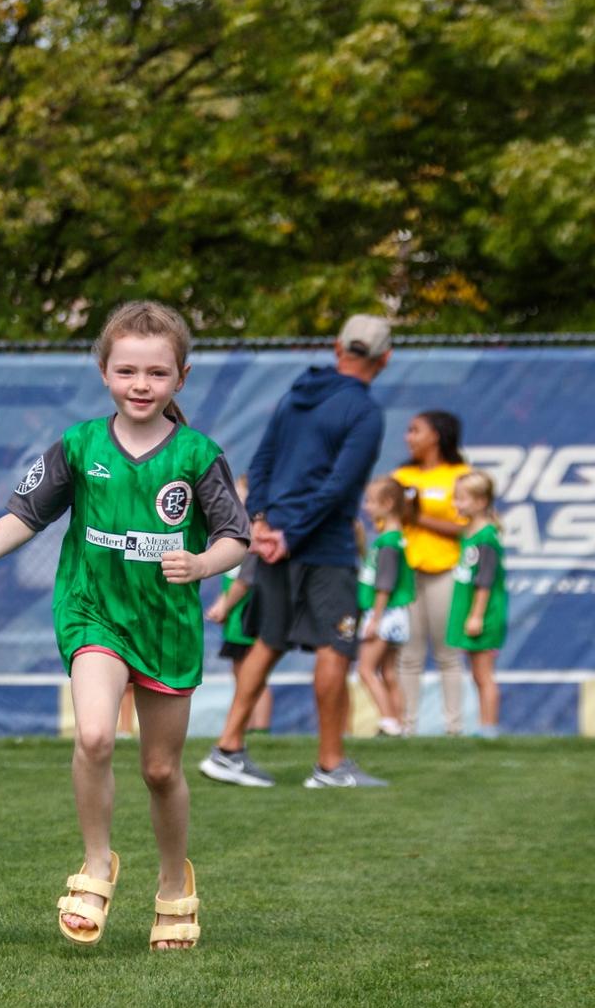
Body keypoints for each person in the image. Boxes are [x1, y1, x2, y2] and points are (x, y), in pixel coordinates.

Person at [0, 301, 250, 951]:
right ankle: (94, 865)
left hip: (166, 624)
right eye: (126, 371)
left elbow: (236, 538)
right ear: (104, 372)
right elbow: (26, 516)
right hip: (92, 611)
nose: (140, 384)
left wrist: (202, 561)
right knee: (93, 735)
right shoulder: (79, 446)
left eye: (156, 372)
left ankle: (174, 883)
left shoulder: (198, 455)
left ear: (181, 378)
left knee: (161, 770)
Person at [199, 314, 393, 789]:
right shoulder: (365, 412)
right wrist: (285, 531)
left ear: (336, 347)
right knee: (335, 645)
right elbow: (340, 485)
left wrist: (262, 521)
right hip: (322, 545)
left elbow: (261, 460)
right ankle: (330, 765)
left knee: (269, 640)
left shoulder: (294, 396)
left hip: (279, 538)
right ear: (385, 359)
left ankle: (228, 748)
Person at [392, 411, 471, 734]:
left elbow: (467, 525)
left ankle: (454, 729)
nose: (408, 437)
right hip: (407, 570)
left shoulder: (461, 475)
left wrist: (418, 518)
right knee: (408, 656)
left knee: (448, 654)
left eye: (415, 430)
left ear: (436, 435)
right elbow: (386, 519)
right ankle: (405, 727)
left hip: (446, 570)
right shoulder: (401, 476)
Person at [201, 476, 271, 743]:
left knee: (255, 672)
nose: (234, 499)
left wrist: (225, 605)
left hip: (249, 612)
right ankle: (249, 724)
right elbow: (231, 577)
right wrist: (223, 601)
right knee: (240, 671)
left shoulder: (256, 536)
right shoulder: (237, 532)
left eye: (239, 494)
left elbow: (245, 580)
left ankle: (260, 727)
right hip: (235, 615)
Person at [447, 471, 508, 739]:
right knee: (477, 675)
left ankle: (489, 728)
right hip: (470, 612)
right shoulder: (469, 535)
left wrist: (476, 616)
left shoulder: (486, 538)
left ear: (481, 501)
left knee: (484, 675)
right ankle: (484, 726)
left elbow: (485, 581)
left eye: (461, 499)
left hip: (483, 615)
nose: (455, 505)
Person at [356, 476, 417, 738]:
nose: (367, 507)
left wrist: (375, 618)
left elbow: (385, 584)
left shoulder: (390, 543)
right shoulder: (390, 539)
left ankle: (389, 721)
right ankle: (400, 722)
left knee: (366, 669)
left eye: (371, 501)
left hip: (385, 613)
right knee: (388, 670)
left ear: (388, 503)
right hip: (395, 614)